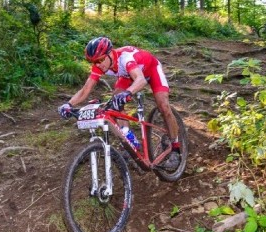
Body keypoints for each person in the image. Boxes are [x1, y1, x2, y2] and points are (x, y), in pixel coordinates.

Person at [58, 36, 182, 169]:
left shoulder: (125, 58)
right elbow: (85, 89)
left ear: (110, 54)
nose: (98, 64)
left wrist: (128, 93)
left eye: (100, 60)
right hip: (127, 75)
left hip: (150, 69)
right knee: (115, 103)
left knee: (163, 106)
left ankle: (175, 148)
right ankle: (131, 142)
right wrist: (69, 104)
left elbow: (140, 80)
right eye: (93, 62)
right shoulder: (100, 65)